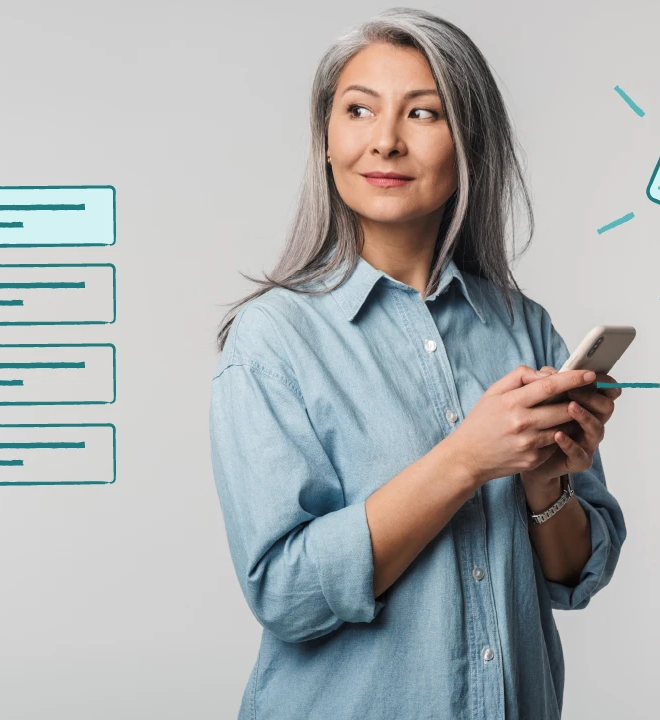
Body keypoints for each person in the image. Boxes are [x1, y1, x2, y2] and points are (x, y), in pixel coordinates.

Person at [207, 7, 627, 720]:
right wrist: (466, 459)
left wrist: (544, 482)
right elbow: (284, 593)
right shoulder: (273, 340)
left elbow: (575, 574)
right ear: (326, 143)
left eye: (423, 113)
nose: (385, 141)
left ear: (469, 145)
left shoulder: (523, 327)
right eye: (359, 110)